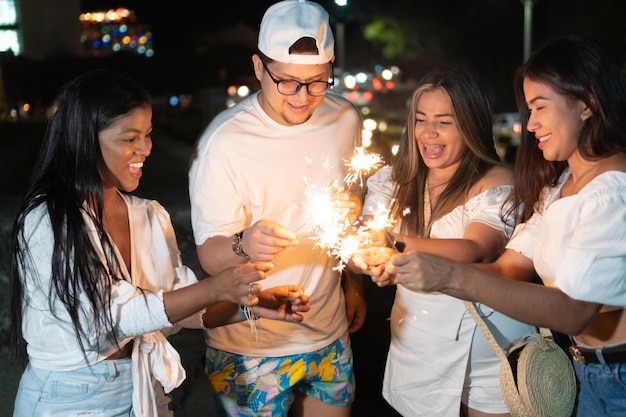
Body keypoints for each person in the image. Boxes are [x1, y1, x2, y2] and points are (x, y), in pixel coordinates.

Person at [9, 69, 311, 417]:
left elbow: (181, 309)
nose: (145, 149)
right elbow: (110, 319)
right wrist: (217, 287)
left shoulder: (149, 216)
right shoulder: (49, 219)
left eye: (148, 135)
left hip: (141, 389)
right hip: (67, 397)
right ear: (85, 139)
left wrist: (252, 305)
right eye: (129, 138)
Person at [368, 35, 626, 417]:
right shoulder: (561, 186)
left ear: (586, 106)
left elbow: (573, 311)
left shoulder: (612, 191)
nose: (531, 123)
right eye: (529, 111)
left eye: (540, 108)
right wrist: (422, 270)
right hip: (584, 369)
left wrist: (450, 277)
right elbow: (508, 267)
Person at [188, 1, 366, 416]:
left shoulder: (345, 118)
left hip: (328, 331)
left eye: (317, 82)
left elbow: (355, 210)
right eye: (286, 82)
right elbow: (209, 257)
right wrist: (244, 242)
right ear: (258, 67)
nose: (303, 97)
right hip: (249, 347)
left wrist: (353, 283)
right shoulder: (224, 143)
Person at [350, 67, 536, 417]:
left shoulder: (495, 180)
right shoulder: (391, 181)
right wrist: (370, 261)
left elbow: (475, 249)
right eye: (421, 120)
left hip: (492, 350)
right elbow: (360, 244)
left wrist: (393, 242)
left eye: (444, 122)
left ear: (470, 124)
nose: (429, 133)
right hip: (419, 350)